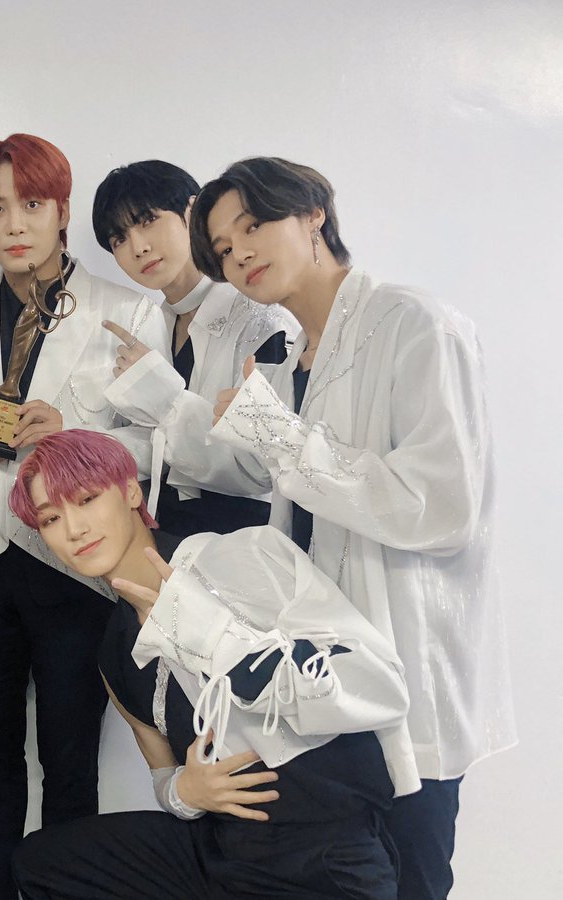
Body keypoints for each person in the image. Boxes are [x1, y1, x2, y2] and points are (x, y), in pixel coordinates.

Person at [176, 156, 514, 898]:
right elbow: (270, 486)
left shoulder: (415, 324)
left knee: (413, 876)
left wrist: (277, 433)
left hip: (406, 664)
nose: (240, 254)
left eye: (252, 226)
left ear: (314, 213)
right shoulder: (288, 361)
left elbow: (440, 507)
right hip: (325, 678)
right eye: (223, 250)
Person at [0, 133, 167, 898]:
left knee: (71, 762)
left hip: (77, 567)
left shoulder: (129, 310)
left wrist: (73, 434)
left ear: (61, 211)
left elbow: (163, 443)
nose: (15, 224)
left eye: (31, 203)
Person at [8, 429, 411, 899]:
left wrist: (211, 636)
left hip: (325, 852)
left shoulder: (238, 556)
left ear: (131, 492)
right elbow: (164, 776)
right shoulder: (115, 654)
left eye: (87, 499)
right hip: (222, 852)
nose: (74, 529)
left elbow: (379, 687)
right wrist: (185, 794)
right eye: (51, 518)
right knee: (42, 863)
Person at [91, 160, 292, 540]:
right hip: (164, 528)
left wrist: (163, 396)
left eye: (148, 220)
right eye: (119, 239)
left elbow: (261, 467)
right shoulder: (151, 324)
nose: (138, 247)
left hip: (245, 534)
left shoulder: (261, 318)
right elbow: (152, 443)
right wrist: (70, 439)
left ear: (192, 211)